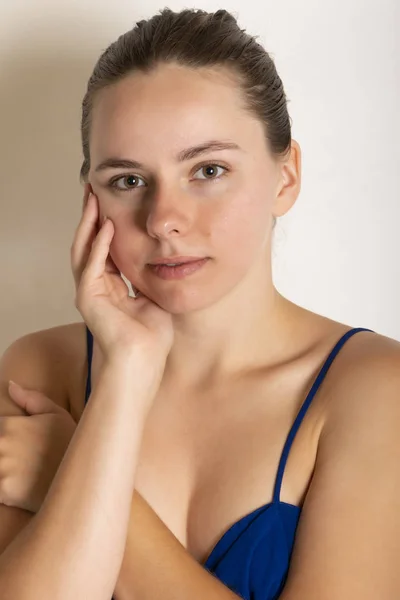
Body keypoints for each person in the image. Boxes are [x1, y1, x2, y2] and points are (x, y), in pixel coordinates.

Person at [0, 7, 399, 600]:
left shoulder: (373, 389)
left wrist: (65, 469)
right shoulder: (41, 371)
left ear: (285, 176)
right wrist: (127, 372)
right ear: (92, 201)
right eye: (128, 181)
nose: (163, 221)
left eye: (207, 170)